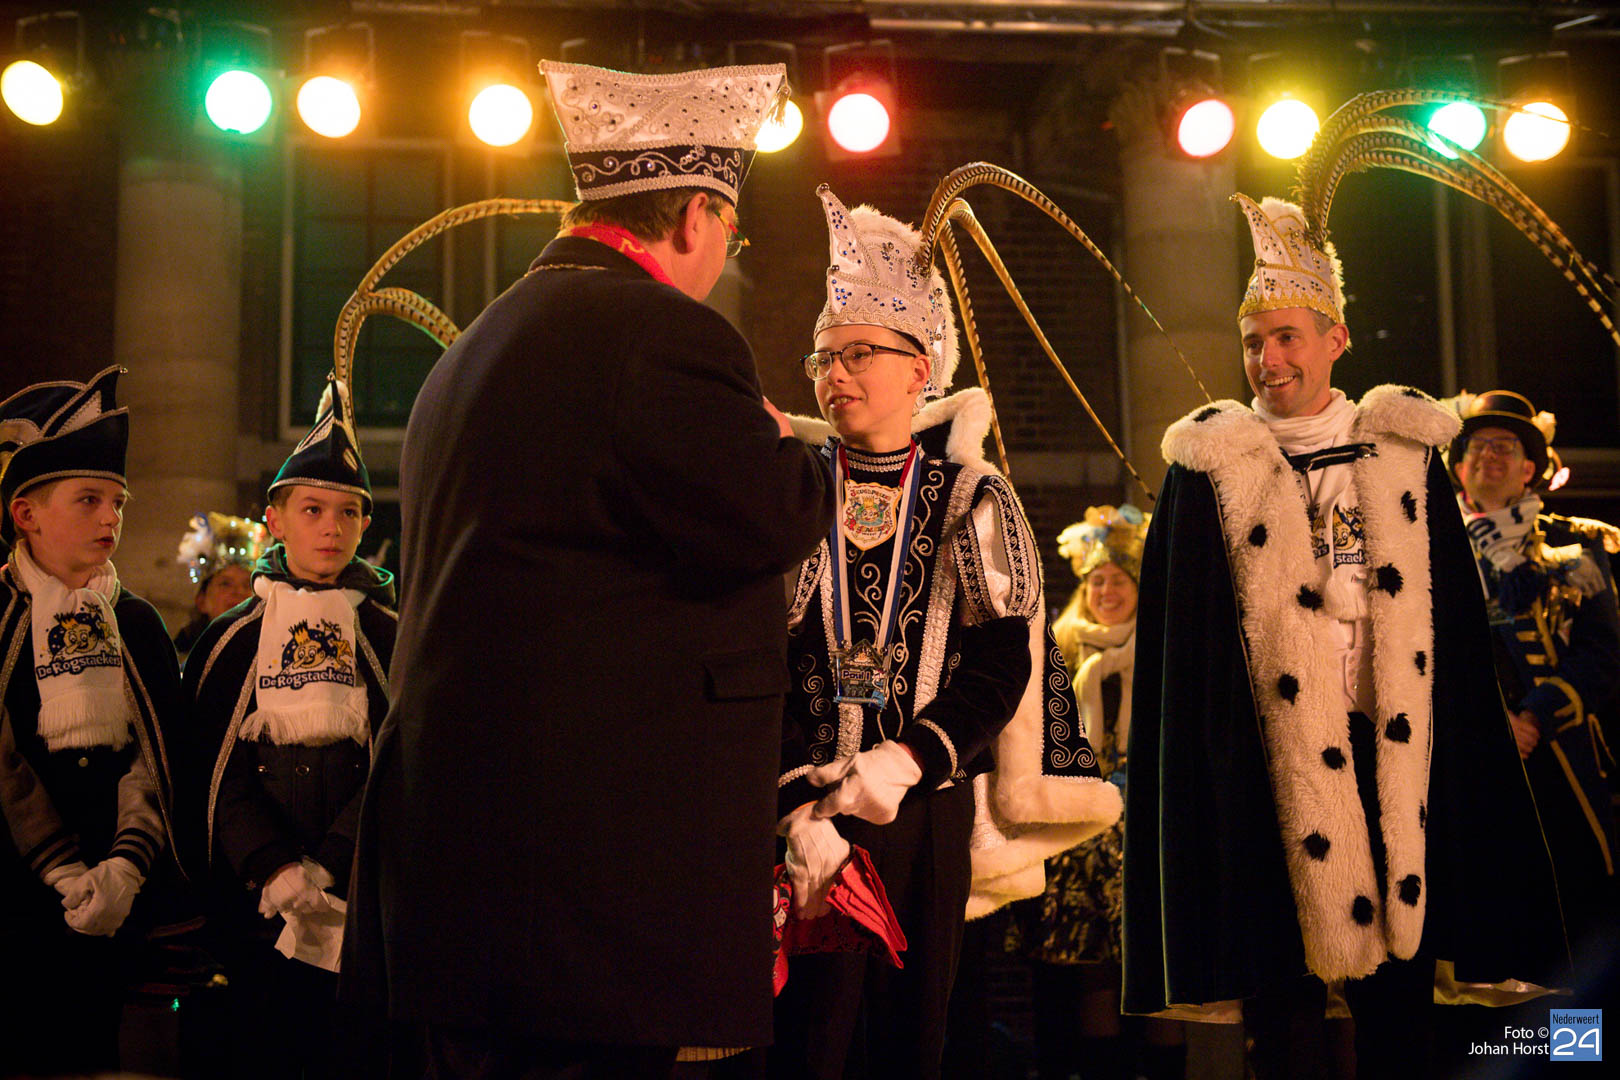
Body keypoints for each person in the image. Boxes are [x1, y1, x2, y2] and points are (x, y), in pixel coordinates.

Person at [342, 60, 833, 1077]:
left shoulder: (476, 345)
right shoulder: (661, 333)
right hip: (585, 889)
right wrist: (790, 443)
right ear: (695, 217)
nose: (723, 260)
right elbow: (766, 515)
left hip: (464, 870)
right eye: (731, 236)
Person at [1120, 195, 1566, 1078]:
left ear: (1337, 340)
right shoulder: (1209, 467)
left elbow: (1455, 635)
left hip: (1388, 757)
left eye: (1287, 337)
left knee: (1399, 1012)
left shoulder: (1404, 454)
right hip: (1266, 767)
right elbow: (1188, 659)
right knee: (1281, 1015)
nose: (1268, 359)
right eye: (1254, 342)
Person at [771, 186, 1118, 1080]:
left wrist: (907, 760)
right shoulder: (790, 487)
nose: (835, 375)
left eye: (858, 354)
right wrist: (794, 800)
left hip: (918, 808)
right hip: (799, 811)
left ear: (919, 367)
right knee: (801, 1048)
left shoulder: (969, 494)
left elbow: (1003, 661)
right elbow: (756, 653)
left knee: (906, 1043)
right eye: (824, 358)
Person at [186, 379, 396, 1077]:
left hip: (361, 904)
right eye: (313, 510)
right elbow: (212, 766)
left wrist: (332, 860)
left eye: (348, 512)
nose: (332, 528)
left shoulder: (389, 636)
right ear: (275, 520)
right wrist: (270, 865)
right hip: (255, 908)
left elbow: (401, 761)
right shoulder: (231, 639)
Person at [0, 365, 182, 1075]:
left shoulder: (135, 623)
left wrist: (124, 868)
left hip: (115, 901)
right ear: (26, 514)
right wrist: (58, 867)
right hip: (16, 900)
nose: (111, 518)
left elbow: (157, 757)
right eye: (89, 500)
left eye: (118, 502)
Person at [1006, 504, 1184, 1080]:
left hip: (1151, 831)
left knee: (1158, 969)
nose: (1108, 591)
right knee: (1092, 971)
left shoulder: (1165, 648)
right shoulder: (1061, 647)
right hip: (1083, 833)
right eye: (1097, 581)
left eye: (1119, 580)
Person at [1450, 389, 1618, 948]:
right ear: (1458, 466)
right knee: (1485, 921)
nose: (1489, 455)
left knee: (1575, 919)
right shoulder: (1430, 550)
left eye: (1505, 446)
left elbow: (1602, 651)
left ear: (1529, 468)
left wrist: (1534, 718)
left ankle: (1574, 1013)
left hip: (1556, 754)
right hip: (1468, 754)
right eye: (1478, 446)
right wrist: (1490, 723)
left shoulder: (1574, 543)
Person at [173, 511, 266, 658]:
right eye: (225, 584)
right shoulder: (181, 659)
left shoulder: (274, 656)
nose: (238, 591)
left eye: (247, 584)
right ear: (201, 601)